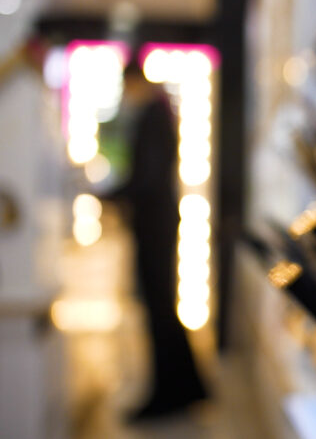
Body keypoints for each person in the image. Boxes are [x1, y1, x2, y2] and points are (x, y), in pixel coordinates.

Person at [107, 60, 207, 420]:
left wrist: (112, 194)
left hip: (155, 223)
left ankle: (171, 392)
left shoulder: (152, 114)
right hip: (157, 221)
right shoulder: (157, 111)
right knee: (162, 307)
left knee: (159, 308)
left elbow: (146, 176)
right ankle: (186, 386)